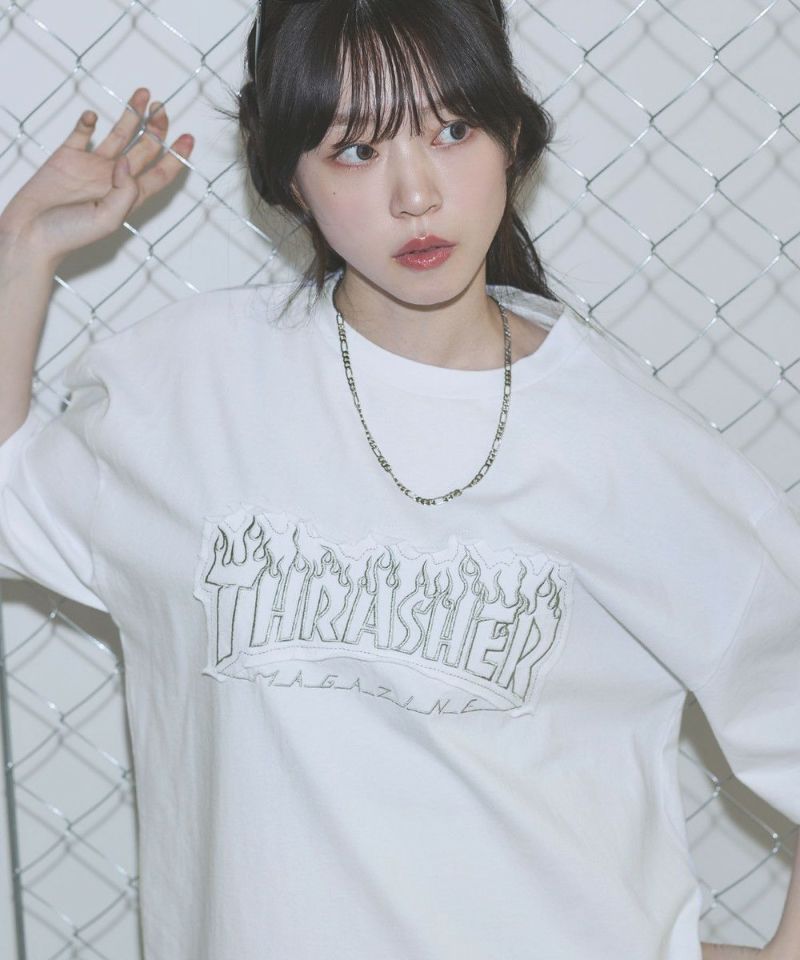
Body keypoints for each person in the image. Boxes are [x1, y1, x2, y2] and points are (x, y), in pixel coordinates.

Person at [0, 1, 797, 958]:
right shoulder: (191, 391)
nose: (416, 194)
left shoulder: (631, 450)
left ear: (511, 138)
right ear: (285, 176)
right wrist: (21, 250)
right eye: (355, 150)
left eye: (451, 131)